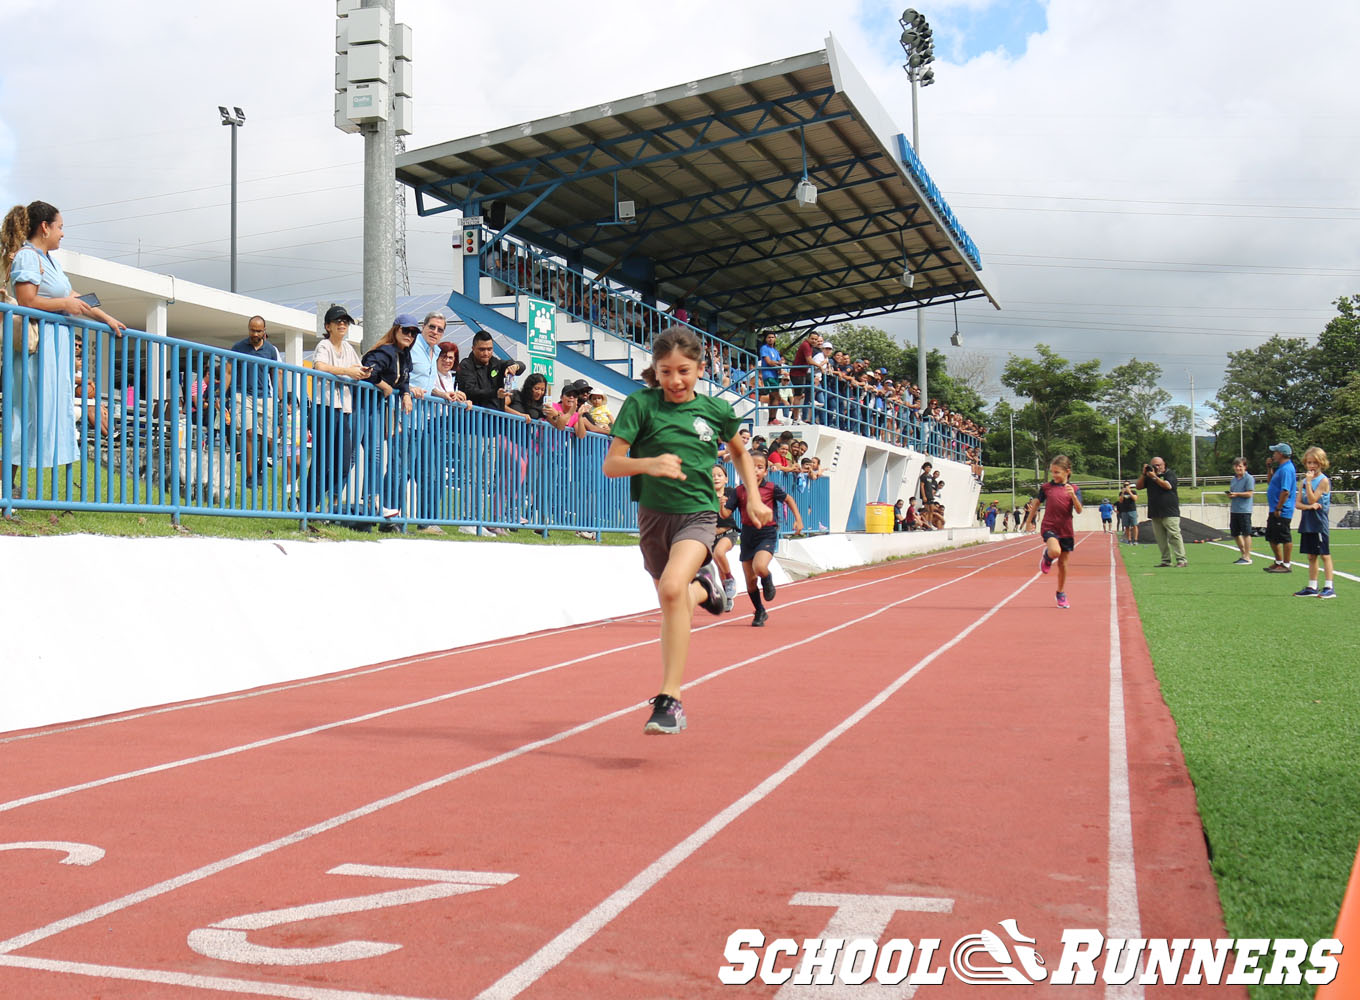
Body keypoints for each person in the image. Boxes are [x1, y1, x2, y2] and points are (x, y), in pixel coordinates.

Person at [602, 326, 767, 735]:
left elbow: (741, 454)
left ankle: (670, 698)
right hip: (654, 517)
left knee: (672, 588)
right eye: (666, 372)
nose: (675, 381)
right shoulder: (641, 405)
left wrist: (755, 498)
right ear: (655, 371)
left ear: (700, 368)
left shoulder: (715, 411)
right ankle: (706, 589)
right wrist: (649, 463)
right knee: (671, 595)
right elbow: (612, 465)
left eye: (684, 371)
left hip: (698, 513)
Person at [3, 201, 126, 490]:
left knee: (44, 417)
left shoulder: (50, 261)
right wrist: (65, 304)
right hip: (37, 353)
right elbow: (27, 301)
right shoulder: (27, 258)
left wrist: (105, 317)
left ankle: (15, 490)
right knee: (26, 416)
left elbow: (74, 295)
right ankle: (4, 488)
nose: (62, 234)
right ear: (44, 227)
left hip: (54, 353)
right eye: (59, 227)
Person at [308, 304, 368, 518]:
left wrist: (365, 373)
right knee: (322, 460)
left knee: (343, 463)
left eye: (345, 321)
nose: (343, 324)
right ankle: (308, 507)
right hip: (323, 406)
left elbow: (357, 370)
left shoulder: (349, 348)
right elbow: (320, 367)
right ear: (328, 326)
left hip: (344, 409)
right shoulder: (324, 345)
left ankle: (308, 499)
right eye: (338, 321)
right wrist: (347, 372)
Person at [734, 449, 803, 627]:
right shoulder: (739, 490)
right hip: (747, 534)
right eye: (751, 466)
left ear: (765, 471)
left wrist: (798, 520)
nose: (755, 470)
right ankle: (759, 611)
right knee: (749, 580)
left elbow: (789, 500)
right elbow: (726, 511)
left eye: (760, 467)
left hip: (767, 533)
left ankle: (767, 579)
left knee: (759, 567)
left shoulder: (771, 488)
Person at [359, 315, 418, 521]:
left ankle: (370, 500)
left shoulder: (404, 355)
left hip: (377, 408)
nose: (409, 335)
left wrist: (406, 393)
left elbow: (404, 379)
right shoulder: (385, 351)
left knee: (375, 454)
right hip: (362, 405)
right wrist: (383, 385)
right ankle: (321, 503)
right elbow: (367, 370)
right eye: (406, 331)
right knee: (348, 457)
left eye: (413, 333)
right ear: (395, 330)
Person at [223, 315, 282, 488]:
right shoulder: (239, 347)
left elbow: (276, 375)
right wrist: (218, 394)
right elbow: (228, 372)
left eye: (258, 331)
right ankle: (250, 477)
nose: (254, 334)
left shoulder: (271, 350)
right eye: (252, 330)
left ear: (264, 331)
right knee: (249, 433)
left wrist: (282, 398)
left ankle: (260, 466)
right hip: (243, 394)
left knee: (269, 439)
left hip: (265, 396)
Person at [1028, 454, 1083, 609]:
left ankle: (1060, 593)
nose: (1054, 475)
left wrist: (1072, 495)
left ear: (1067, 471)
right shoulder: (1046, 488)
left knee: (1063, 564)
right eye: (1052, 472)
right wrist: (1028, 522)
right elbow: (1036, 504)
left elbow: (1079, 510)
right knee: (1055, 551)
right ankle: (1047, 556)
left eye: (1057, 472)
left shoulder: (1075, 489)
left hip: (1066, 529)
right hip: (1049, 526)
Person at [1293, 446, 1335, 598]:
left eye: (1315, 463)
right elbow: (1298, 504)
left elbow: (1312, 498)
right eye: (1309, 463)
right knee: (1311, 555)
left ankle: (1329, 587)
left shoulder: (1322, 481)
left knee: (1324, 554)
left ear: (1321, 463)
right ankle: (1312, 586)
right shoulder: (1304, 481)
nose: (1311, 466)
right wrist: (1309, 506)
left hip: (1319, 523)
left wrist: (1309, 484)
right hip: (1307, 522)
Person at [1136, 456, 1186, 568]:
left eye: (1159, 465)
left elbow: (1167, 486)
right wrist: (1144, 474)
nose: (1157, 467)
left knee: (1174, 535)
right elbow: (1138, 487)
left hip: (1170, 511)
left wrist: (1155, 477)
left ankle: (1181, 559)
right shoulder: (1149, 476)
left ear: (1164, 464)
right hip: (1155, 511)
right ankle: (1166, 560)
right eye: (1154, 465)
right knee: (1160, 538)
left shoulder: (1169, 474)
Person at [456, 331, 525, 411]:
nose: (486, 353)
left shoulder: (496, 363)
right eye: (482, 349)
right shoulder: (465, 365)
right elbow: (470, 391)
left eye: (489, 349)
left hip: (496, 418)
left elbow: (521, 366)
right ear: (473, 348)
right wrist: (495, 393)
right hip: (473, 417)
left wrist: (516, 366)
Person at [1263, 443, 1297, 573]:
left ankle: (1286, 564)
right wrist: (1269, 468)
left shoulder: (1287, 469)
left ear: (1281, 454)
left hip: (1282, 510)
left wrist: (1279, 507)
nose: (1273, 454)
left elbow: (1286, 491)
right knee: (1272, 536)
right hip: (1275, 508)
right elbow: (1270, 482)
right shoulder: (1281, 468)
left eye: (1275, 452)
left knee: (1284, 536)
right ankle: (1278, 562)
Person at [711, 465, 740, 610]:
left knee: (719, 552)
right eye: (712, 475)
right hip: (711, 537)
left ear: (726, 479)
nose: (716, 477)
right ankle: (728, 597)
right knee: (719, 566)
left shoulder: (731, 492)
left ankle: (729, 578)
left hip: (728, 533)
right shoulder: (705, 495)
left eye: (719, 475)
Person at [1226, 457, 1256, 565]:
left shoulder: (1249, 478)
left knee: (1246, 533)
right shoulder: (1233, 479)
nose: (1238, 468)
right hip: (1234, 509)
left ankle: (1247, 557)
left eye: (1240, 466)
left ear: (1245, 467)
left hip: (1244, 510)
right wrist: (1231, 495)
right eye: (1236, 466)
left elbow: (1249, 494)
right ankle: (1243, 553)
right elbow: (1234, 492)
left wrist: (1237, 494)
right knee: (1235, 533)